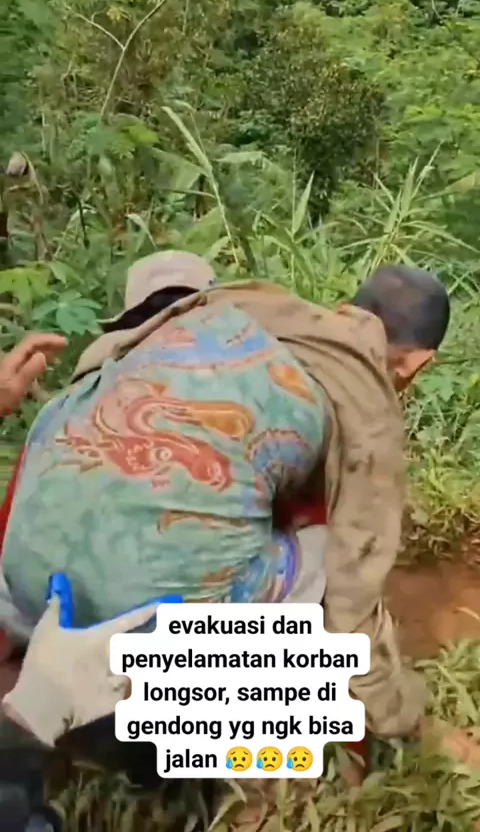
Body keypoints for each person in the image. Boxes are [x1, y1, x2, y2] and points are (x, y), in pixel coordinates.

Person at [0, 257, 450, 754]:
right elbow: (354, 602)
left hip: (26, 601)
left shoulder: (238, 315)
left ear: (345, 309)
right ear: (418, 363)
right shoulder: (365, 404)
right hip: (143, 637)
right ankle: (236, 729)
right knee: (330, 549)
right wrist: (401, 719)